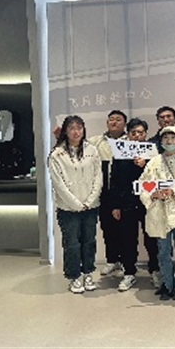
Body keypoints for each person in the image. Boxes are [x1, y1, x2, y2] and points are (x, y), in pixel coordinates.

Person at [139, 126, 175, 300]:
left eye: (172, 138)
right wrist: (152, 195)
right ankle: (166, 283)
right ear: (161, 141)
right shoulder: (153, 162)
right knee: (163, 250)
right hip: (159, 210)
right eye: (165, 138)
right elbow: (143, 184)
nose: (169, 141)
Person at [49, 115, 103, 294]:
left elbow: (98, 177)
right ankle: (74, 276)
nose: (76, 131)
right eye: (71, 128)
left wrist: (90, 201)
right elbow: (59, 184)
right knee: (71, 243)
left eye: (79, 127)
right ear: (65, 131)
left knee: (89, 241)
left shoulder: (92, 150)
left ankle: (88, 273)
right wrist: (76, 204)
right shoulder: (57, 154)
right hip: (68, 209)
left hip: (90, 207)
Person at [109, 118, 160, 291]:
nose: (137, 135)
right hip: (126, 203)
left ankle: (155, 271)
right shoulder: (120, 152)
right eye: (134, 132)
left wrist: (144, 165)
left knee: (151, 238)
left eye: (141, 132)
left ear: (146, 134)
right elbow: (114, 180)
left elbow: (158, 177)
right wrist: (115, 205)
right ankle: (129, 272)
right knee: (127, 239)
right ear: (128, 134)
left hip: (148, 203)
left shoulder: (153, 152)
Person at [87, 110, 127, 277]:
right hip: (103, 191)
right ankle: (112, 260)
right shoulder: (95, 141)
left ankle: (125, 261)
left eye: (118, 120)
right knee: (107, 227)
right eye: (111, 119)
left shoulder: (130, 142)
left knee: (124, 229)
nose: (114, 122)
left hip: (123, 192)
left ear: (124, 124)